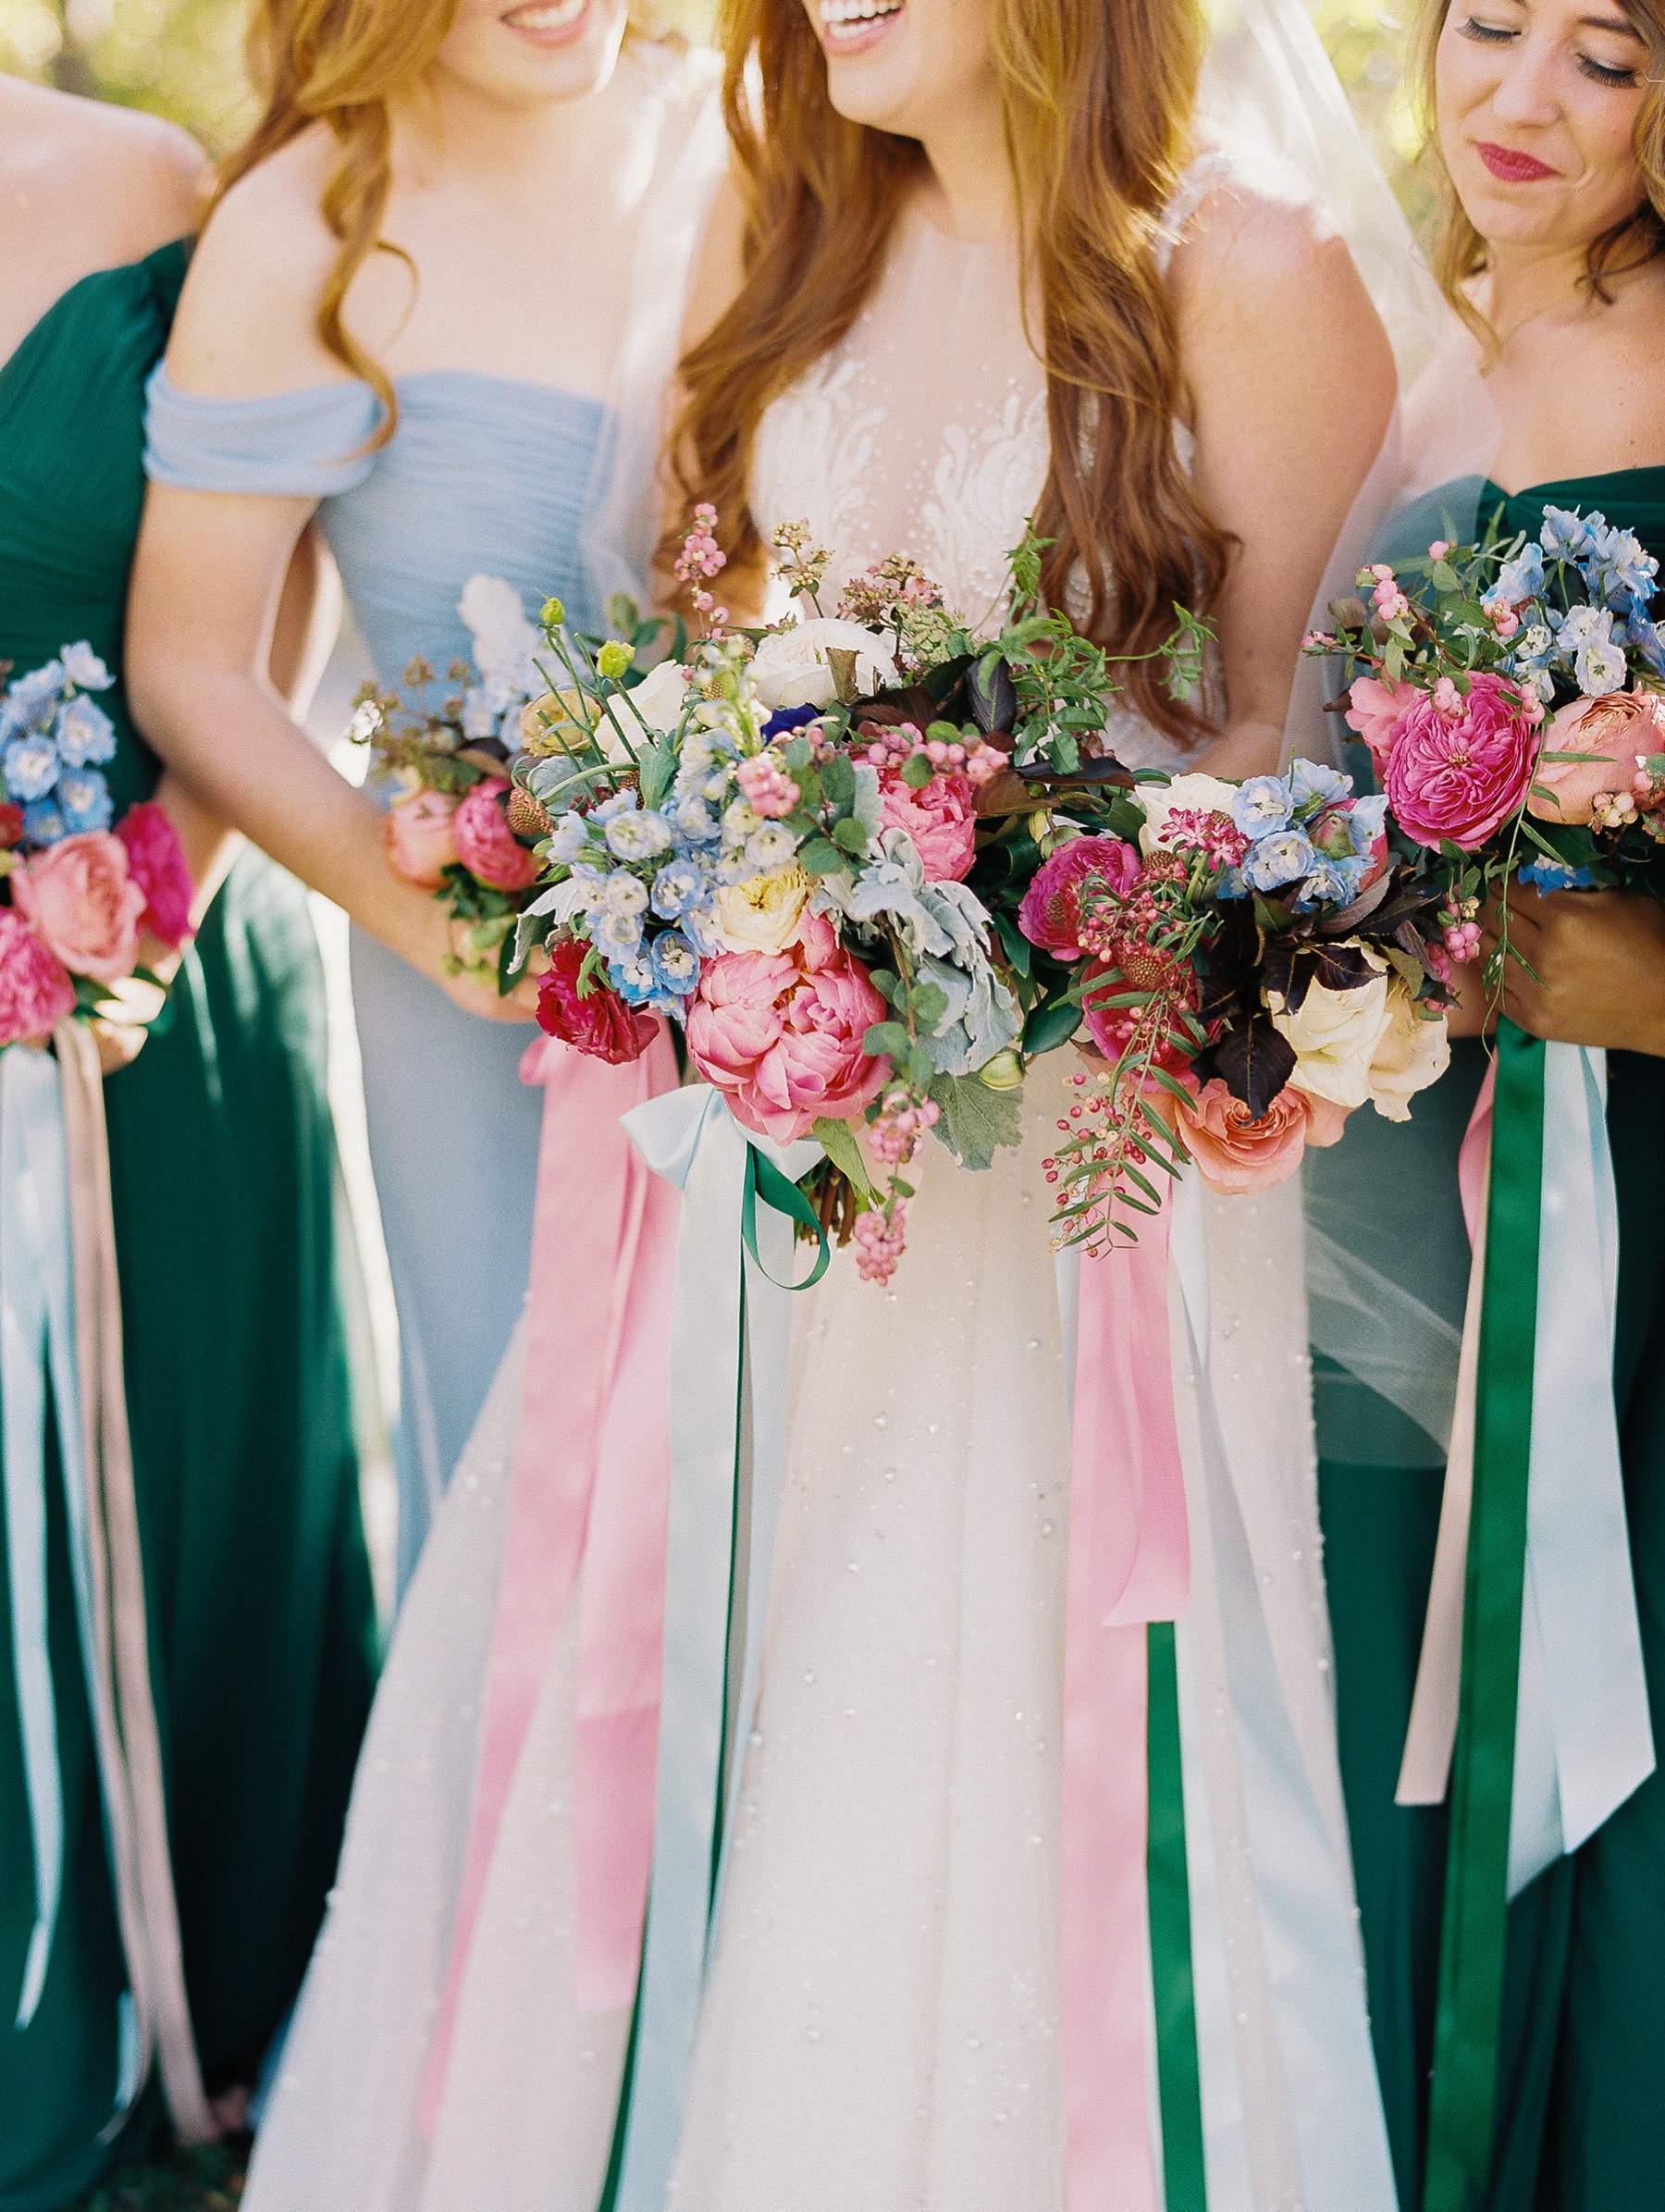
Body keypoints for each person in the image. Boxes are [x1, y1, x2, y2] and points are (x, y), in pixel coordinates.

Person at [644, 0, 1398, 2204]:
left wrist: (1006, 910)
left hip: (1110, 1180)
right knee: (838, 1706)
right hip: (831, 1158)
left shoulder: (1240, 275)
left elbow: (1292, 778)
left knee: (1072, 1734)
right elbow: (729, 659)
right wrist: (777, 904)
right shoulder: (797, 243)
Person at [128, 0, 706, 1588]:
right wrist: (435, 924)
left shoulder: (761, 148)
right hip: (478, 991)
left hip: (782, 968)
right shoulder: (307, 224)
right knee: (526, 1515)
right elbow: (192, 662)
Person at [0, 75, 376, 2207]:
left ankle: (215, 1994)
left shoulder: (151, 190)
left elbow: (274, 597)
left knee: (201, 1484)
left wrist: (145, 904)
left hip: (148, 988)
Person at [1302, 0, 1665, 2200]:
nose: (1519, 99)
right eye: (1487, 23)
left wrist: (1575, 964)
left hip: (1613, 1199)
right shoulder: (1412, 353)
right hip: (1391, 1187)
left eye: (1606, 56)